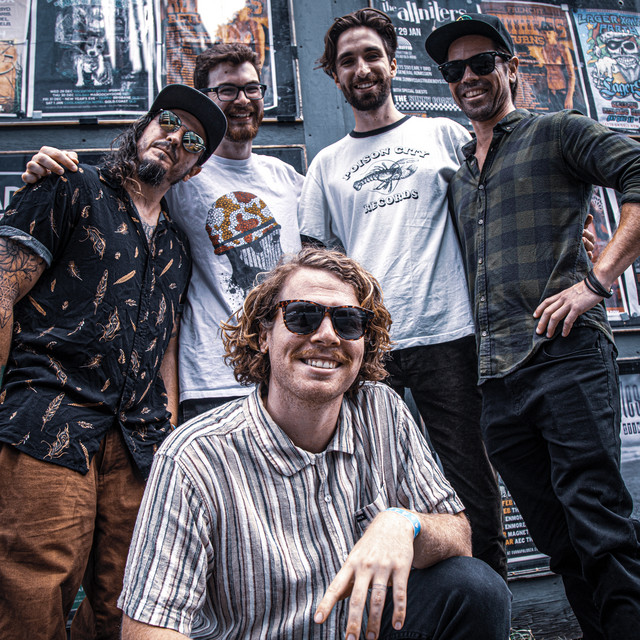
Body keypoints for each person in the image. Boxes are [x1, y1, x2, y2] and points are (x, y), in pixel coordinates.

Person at [117, 247, 511, 640]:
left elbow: (459, 536)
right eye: (302, 316)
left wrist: (405, 523)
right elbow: (149, 628)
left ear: (364, 341)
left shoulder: (384, 411)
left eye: (348, 321)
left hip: (363, 629)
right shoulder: (194, 458)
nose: (326, 335)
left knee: (476, 588)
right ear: (263, 335)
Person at [425, 13, 640, 639]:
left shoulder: (556, 131)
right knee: (559, 542)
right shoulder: (459, 176)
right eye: (454, 69)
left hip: (565, 359)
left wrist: (597, 281)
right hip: (497, 382)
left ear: (511, 68)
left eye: (482, 62)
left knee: (599, 529)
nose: (468, 76)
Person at [0, 84, 226, 640]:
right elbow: (3, 291)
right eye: (168, 121)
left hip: (138, 445)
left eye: (193, 141)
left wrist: (167, 437)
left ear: (194, 169)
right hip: (48, 419)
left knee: (127, 604)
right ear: (143, 126)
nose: (175, 138)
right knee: (33, 595)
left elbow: (166, 346)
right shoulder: (67, 185)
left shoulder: (177, 245)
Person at [297, 7, 506, 578]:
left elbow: (501, 197)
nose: (361, 68)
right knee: (364, 487)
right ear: (334, 75)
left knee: (471, 485)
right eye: (347, 61)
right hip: (368, 347)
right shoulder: (326, 166)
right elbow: (317, 265)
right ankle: (392, 607)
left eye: (371, 55)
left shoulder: (444, 135)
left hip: (449, 336)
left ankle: (489, 603)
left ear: (392, 64)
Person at [22, 43, 303, 425]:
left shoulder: (290, 181)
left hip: (285, 379)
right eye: (227, 90)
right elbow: (125, 182)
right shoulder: (175, 173)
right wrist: (52, 166)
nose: (241, 99)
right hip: (209, 383)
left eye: (252, 88)